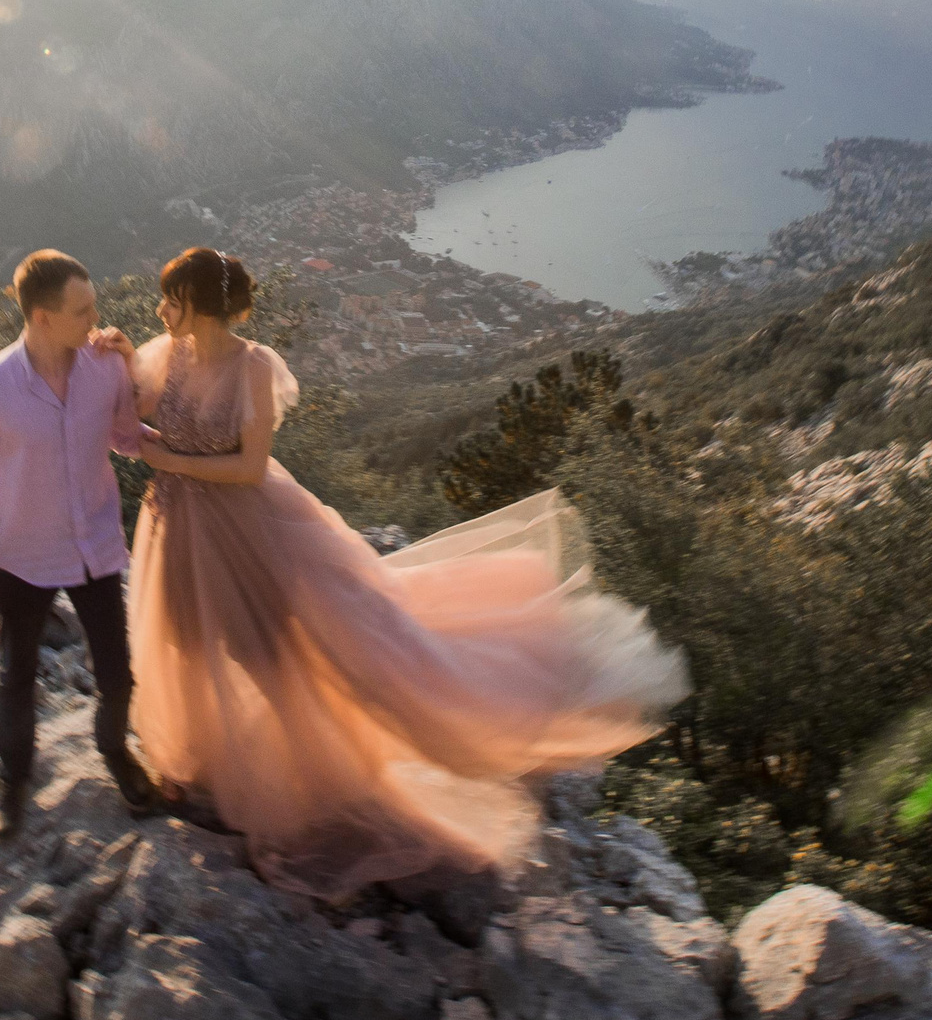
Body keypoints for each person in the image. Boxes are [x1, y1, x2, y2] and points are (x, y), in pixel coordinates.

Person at [127, 244, 689, 899]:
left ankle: (307, 782)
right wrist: (107, 360)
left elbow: (250, 468)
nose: (160, 311)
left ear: (200, 304)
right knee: (187, 640)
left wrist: (172, 462)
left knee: (274, 651)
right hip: (178, 526)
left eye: (171, 299)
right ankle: (197, 761)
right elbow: (123, 408)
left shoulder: (252, 366)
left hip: (245, 529)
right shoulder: (165, 354)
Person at [0, 248, 165, 840]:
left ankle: (115, 751)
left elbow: (127, 438)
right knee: (17, 676)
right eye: (82, 310)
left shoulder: (105, 366)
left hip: (95, 546)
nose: (97, 319)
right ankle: (14, 783)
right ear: (41, 317)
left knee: (117, 675)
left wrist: (140, 377)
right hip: (20, 558)